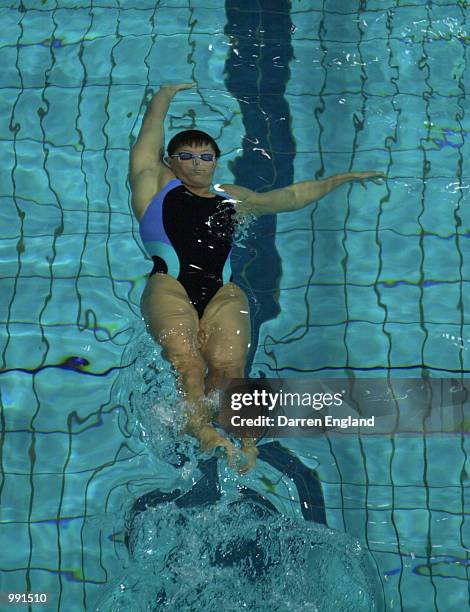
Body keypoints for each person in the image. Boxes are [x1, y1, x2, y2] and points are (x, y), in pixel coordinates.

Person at [129, 83, 384, 474]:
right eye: (187, 156)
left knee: (231, 372)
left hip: (221, 294)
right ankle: (202, 431)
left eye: (206, 156)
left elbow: (288, 198)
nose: (197, 164)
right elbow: (147, 142)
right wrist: (164, 95)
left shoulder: (231, 196)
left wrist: (341, 179)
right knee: (189, 365)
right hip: (170, 285)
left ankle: (246, 441)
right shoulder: (153, 186)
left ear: (215, 161)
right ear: (170, 160)